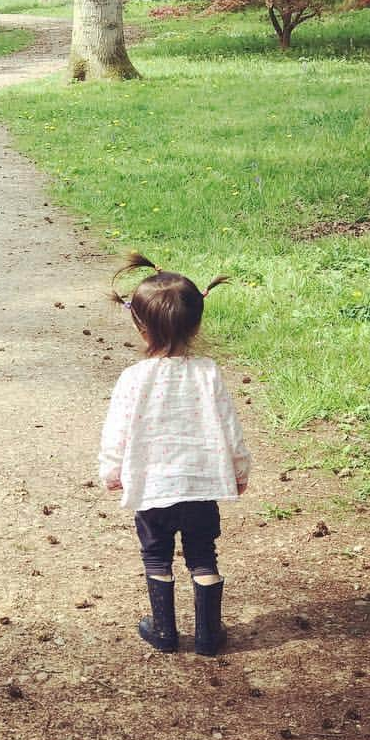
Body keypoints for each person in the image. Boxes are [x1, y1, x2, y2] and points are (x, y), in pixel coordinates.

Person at [98, 252, 252, 656]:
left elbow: (117, 432)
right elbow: (228, 425)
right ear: (197, 323)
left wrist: (113, 471)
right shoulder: (208, 372)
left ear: (140, 325)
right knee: (203, 554)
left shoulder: (134, 378)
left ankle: (164, 631)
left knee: (156, 554)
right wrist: (238, 468)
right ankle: (206, 635)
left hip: (152, 486)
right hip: (201, 487)